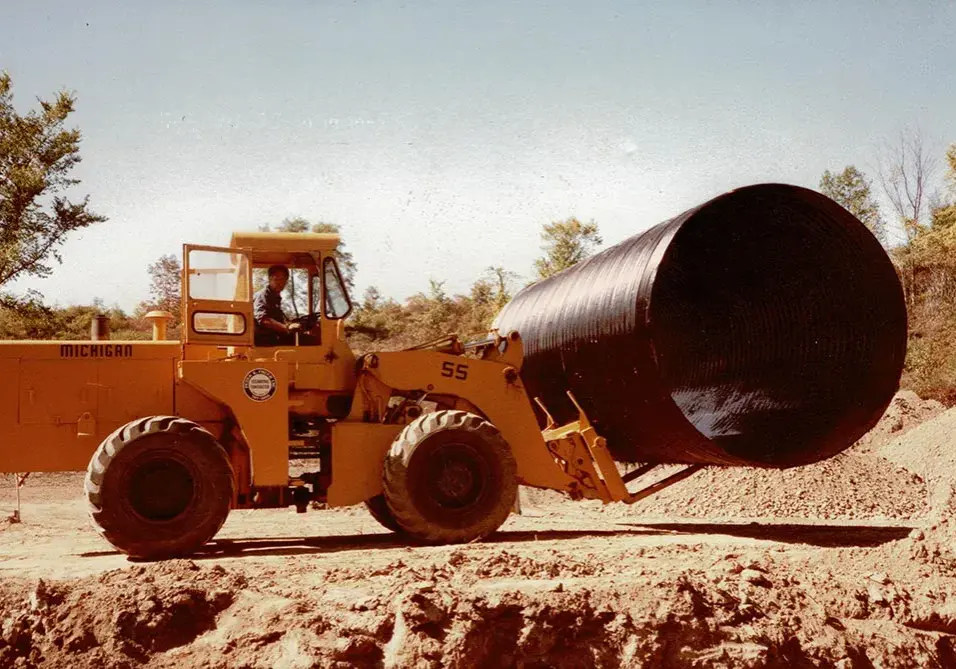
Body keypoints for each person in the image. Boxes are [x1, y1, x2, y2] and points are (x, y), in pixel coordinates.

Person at [253, 265, 301, 346]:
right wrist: (286, 328)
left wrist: (289, 324)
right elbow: (263, 320)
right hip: (264, 340)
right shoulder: (263, 295)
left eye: (283, 280)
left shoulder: (275, 297)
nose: (279, 283)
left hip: (273, 337)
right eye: (276, 279)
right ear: (270, 279)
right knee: (310, 342)